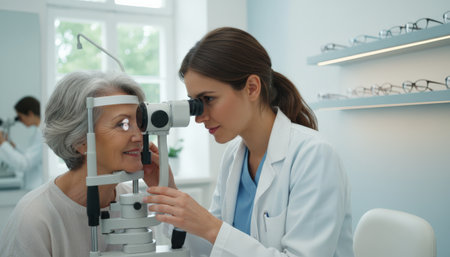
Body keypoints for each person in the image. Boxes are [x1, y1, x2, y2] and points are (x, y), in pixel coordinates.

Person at [143, 27, 354, 257]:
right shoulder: (234, 155)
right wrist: (169, 194)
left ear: (252, 88)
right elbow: (212, 249)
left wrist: (212, 227)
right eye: (195, 103)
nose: (200, 116)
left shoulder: (314, 156)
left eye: (208, 99)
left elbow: (219, 236)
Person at [0, 71, 164, 256]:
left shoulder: (132, 203)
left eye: (140, 123)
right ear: (80, 141)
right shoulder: (35, 217)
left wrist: (166, 189)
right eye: (122, 124)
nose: (139, 136)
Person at [0, 96, 43, 189]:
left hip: (37, 186)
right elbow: (30, 159)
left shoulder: (42, 134)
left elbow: (24, 164)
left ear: (30, 113)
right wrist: (13, 147)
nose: (20, 121)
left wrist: (2, 143)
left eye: (20, 117)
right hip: (34, 187)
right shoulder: (38, 132)